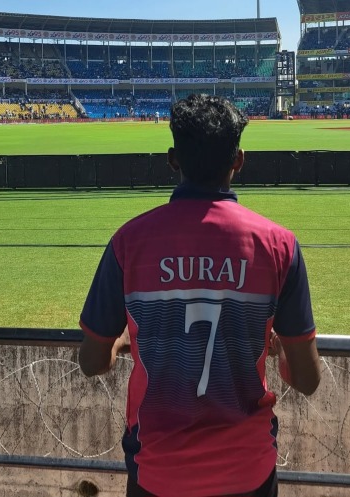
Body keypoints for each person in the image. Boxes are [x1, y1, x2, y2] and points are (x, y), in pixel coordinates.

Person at [78, 94, 321, 497]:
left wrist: (119, 344)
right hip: (248, 473)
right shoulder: (280, 246)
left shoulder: (128, 242)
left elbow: (91, 362)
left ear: (173, 160)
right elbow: (308, 380)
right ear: (238, 160)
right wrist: (279, 350)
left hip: (157, 472)